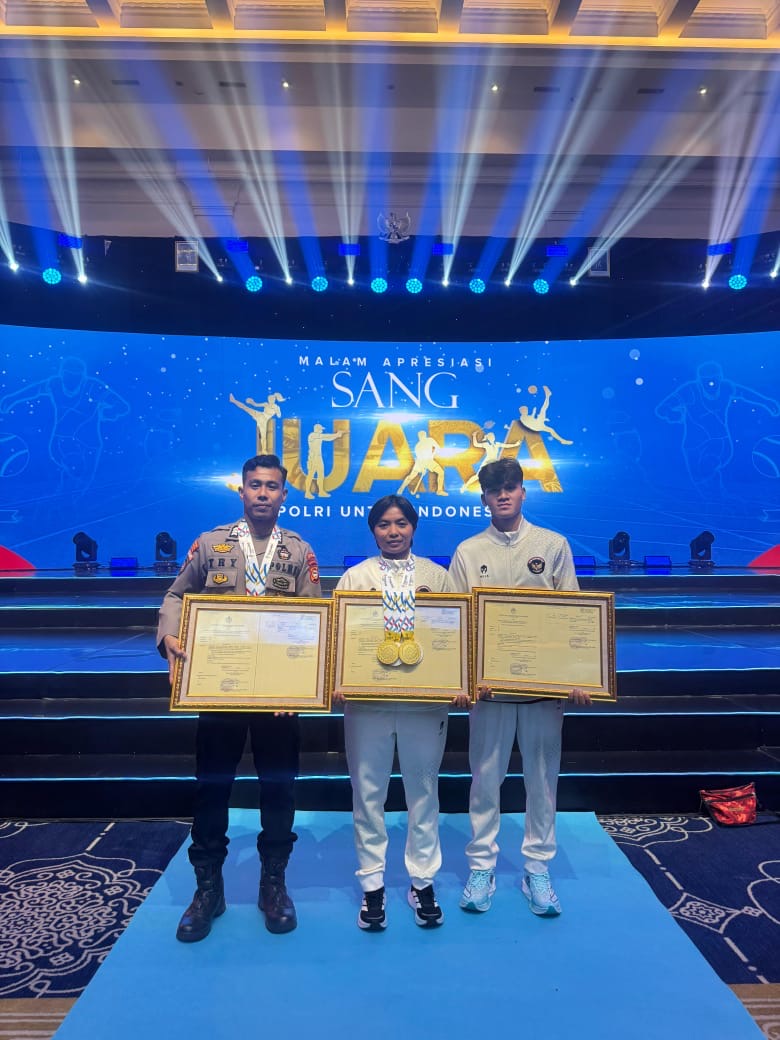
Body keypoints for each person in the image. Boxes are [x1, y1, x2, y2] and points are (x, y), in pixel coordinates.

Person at [157, 453, 321, 942]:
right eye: (255, 485)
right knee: (211, 788)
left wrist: (302, 685)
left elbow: (315, 621)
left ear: (284, 494)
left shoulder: (298, 552)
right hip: (219, 688)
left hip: (277, 695)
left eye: (272, 486)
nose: (263, 493)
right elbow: (176, 596)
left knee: (279, 788)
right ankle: (208, 889)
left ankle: (274, 884)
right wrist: (169, 636)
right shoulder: (211, 544)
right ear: (242, 490)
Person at [448, 458, 590, 918]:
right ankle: (481, 866)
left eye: (510, 487)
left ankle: (537, 869)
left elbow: (574, 615)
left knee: (542, 782)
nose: (503, 495)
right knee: (485, 779)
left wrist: (577, 675)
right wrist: (463, 680)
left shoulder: (552, 545)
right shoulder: (468, 551)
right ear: (484, 499)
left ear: (523, 492)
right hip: (489, 692)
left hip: (542, 690)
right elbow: (456, 621)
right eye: (495, 490)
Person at [334, 495, 469, 932]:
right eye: (384, 524)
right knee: (367, 794)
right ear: (373, 530)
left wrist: (460, 682)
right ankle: (372, 884)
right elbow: (339, 637)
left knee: (423, 794)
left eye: (401, 523)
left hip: (424, 705)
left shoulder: (437, 576)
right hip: (367, 705)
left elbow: (456, 634)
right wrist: (336, 678)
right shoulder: (356, 577)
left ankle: (422, 882)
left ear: (414, 527)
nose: (393, 532)